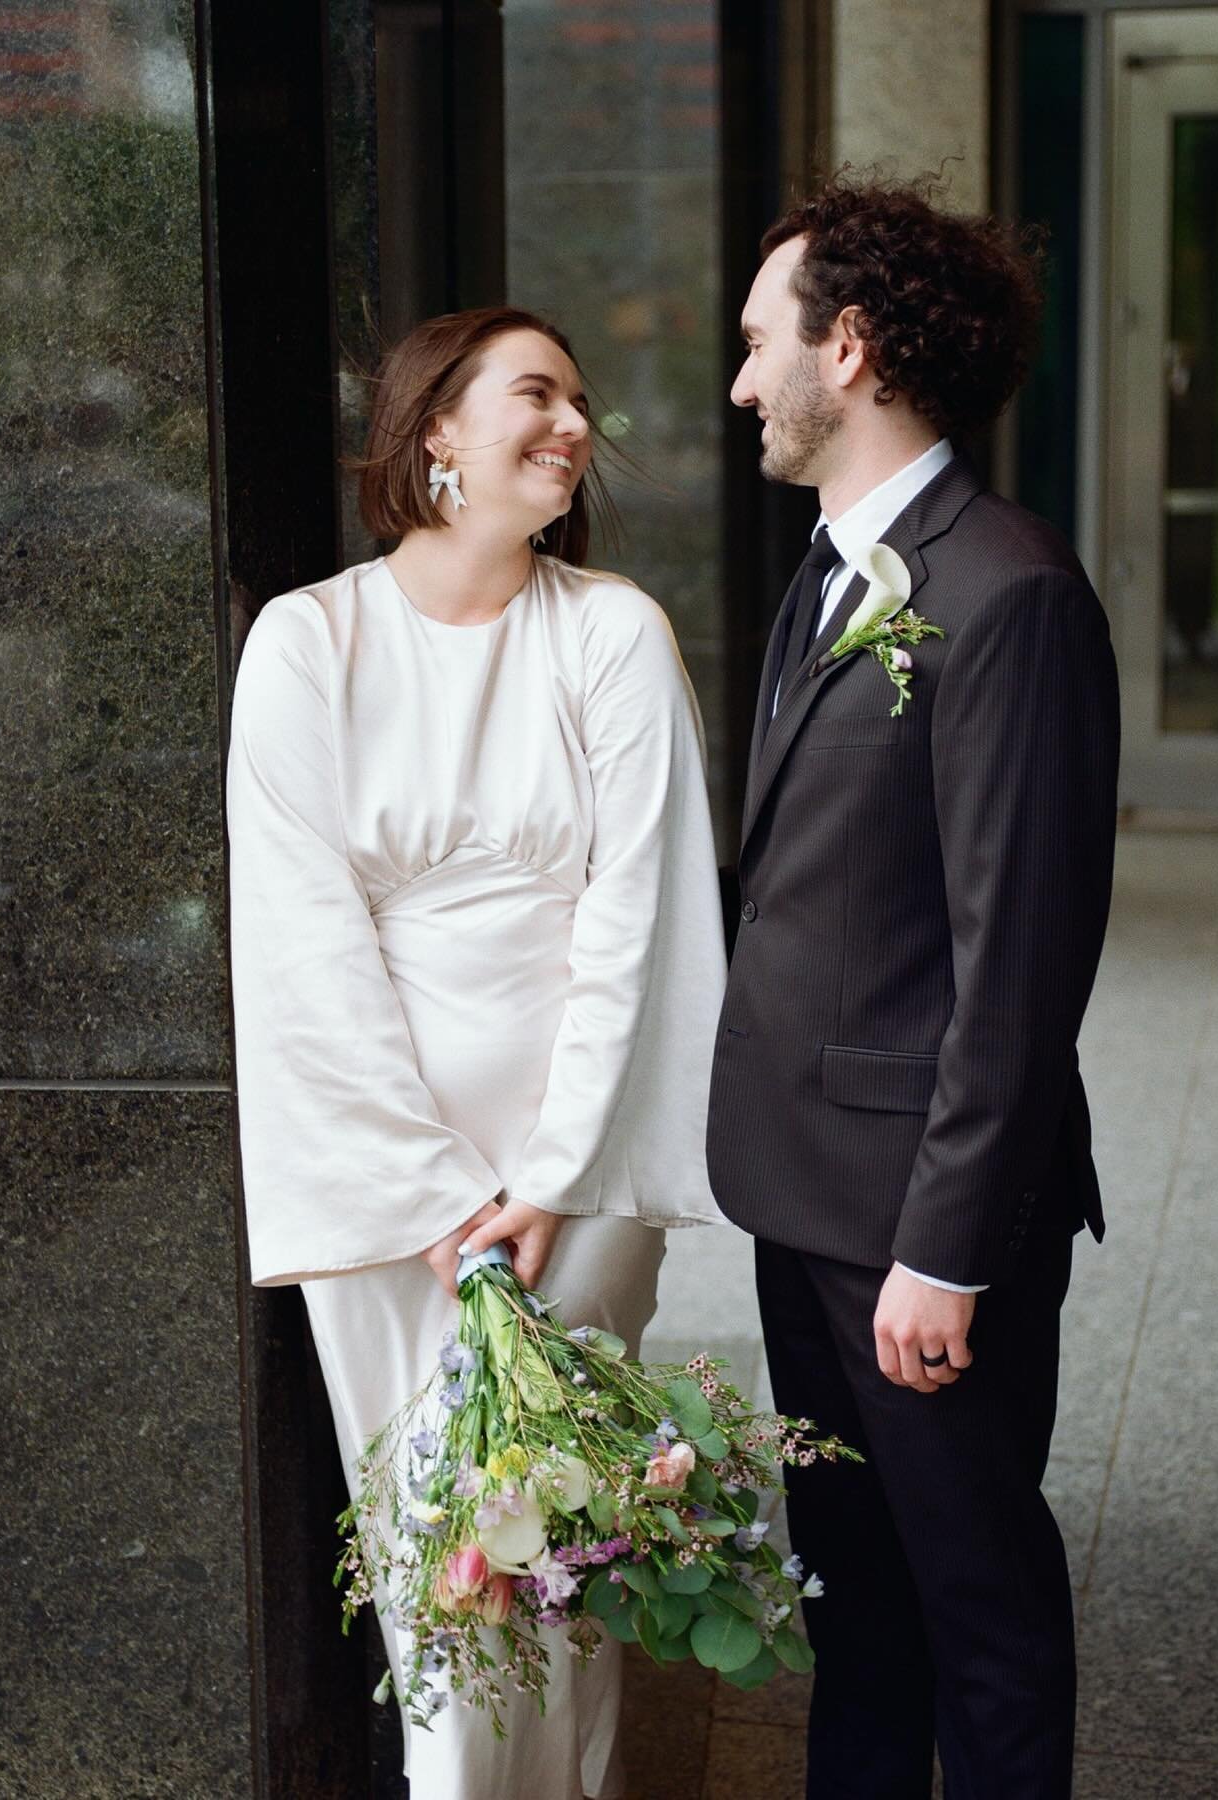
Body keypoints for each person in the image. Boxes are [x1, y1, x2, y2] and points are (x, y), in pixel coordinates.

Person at [226, 306, 726, 1800]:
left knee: (568, 1574)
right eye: (536, 394)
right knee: (432, 1569)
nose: (573, 423)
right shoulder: (309, 643)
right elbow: (302, 937)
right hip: (391, 1190)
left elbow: (644, 911)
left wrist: (557, 1175)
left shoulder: (614, 631)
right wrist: (436, 1190)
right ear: (433, 428)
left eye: (582, 399)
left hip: (578, 1172)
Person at [706, 175, 1121, 1798]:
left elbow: (1019, 968)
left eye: (761, 342)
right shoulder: (831, 566)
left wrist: (940, 1253)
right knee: (853, 1607)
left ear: (852, 349)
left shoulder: (1009, 592)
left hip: (924, 1231)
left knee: (979, 1608)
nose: (743, 380)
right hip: (803, 1199)